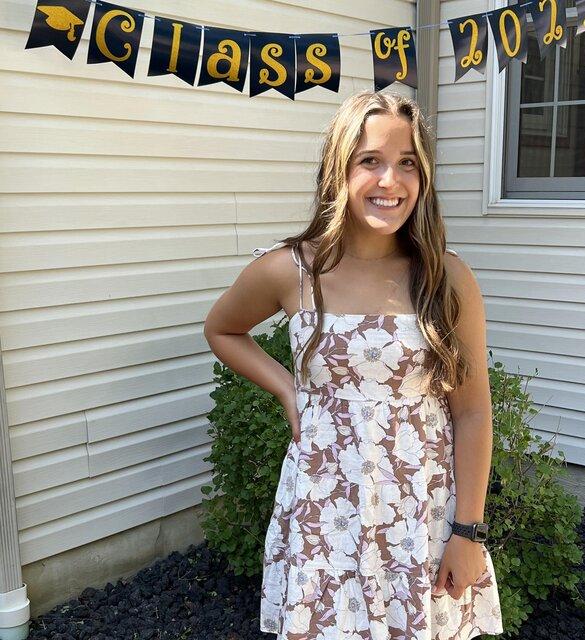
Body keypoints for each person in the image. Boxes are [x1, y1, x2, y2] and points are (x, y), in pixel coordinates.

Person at [203, 90, 504, 639]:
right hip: (324, 506)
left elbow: (472, 413)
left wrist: (468, 531)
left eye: (407, 164)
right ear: (338, 169)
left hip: (420, 513)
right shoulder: (289, 269)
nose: (391, 180)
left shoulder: (447, 278)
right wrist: (288, 390)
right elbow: (222, 329)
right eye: (371, 161)